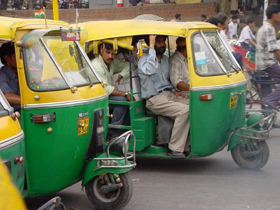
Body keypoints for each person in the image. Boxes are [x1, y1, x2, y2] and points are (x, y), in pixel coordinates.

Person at [138, 35, 189, 159]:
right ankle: (175, 148)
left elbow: (167, 80)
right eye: (158, 42)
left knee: (193, 104)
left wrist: (174, 91)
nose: (162, 44)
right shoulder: (144, 60)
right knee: (184, 111)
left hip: (168, 94)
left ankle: (187, 145)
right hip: (154, 99)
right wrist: (150, 46)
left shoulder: (166, 59)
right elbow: (149, 70)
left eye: (163, 41)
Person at [91, 43, 132, 138]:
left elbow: (130, 66)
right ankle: (113, 132)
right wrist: (125, 94)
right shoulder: (97, 65)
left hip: (106, 96)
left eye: (113, 54)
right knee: (122, 101)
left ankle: (124, 131)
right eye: (108, 52)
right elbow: (105, 88)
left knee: (129, 103)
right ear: (101, 50)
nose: (111, 56)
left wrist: (122, 74)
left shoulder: (112, 62)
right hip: (97, 99)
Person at [256, 4, 280, 109]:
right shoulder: (269, 29)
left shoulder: (263, 27)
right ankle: (270, 100)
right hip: (267, 64)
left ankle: (267, 121)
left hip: (261, 64)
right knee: (268, 97)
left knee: (266, 91)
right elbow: (275, 50)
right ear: (274, 15)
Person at [0, 42, 21, 112]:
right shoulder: (2, 76)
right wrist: (28, 101)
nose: (21, 60)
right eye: (17, 56)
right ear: (7, 58)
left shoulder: (20, 73)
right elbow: (7, 96)